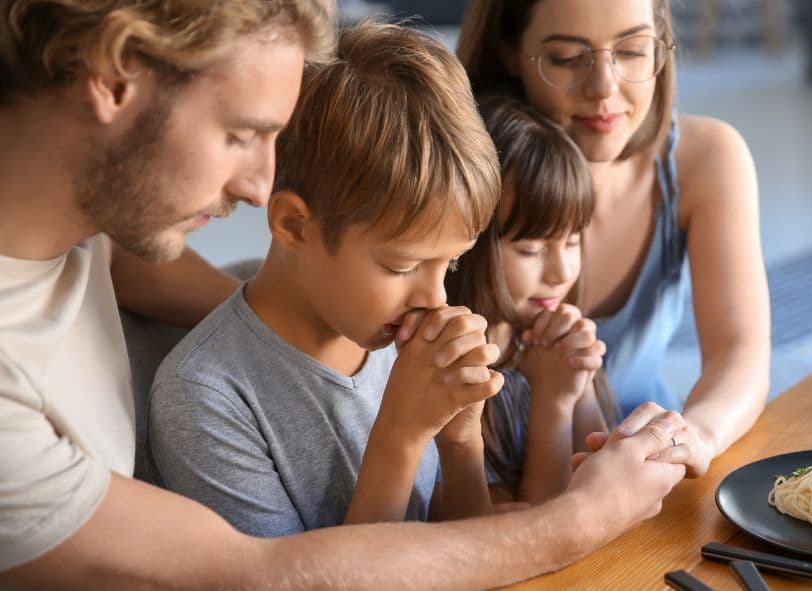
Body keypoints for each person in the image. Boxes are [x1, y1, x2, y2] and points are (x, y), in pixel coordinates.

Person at [0, 2, 690, 588]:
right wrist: (579, 518)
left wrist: (456, 432)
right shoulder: (170, 394)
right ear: (116, 77)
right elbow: (266, 573)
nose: (256, 186)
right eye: (240, 134)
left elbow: (148, 266)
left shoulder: (87, 223)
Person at [147, 22, 505, 534]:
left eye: (449, 264)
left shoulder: (395, 339)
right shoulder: (207, 399)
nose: (435, 298)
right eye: (400, 267)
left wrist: (460, 440)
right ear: (294, 225)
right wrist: (400, 438)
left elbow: (469, 554)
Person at [457, 0, 771, 477]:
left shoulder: (705, 158)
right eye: (565, 57)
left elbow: (739, 354)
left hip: (649, 469)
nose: (604, 87)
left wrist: (694, 436)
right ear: (508, 50)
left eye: (632, 51)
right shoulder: (456, 177)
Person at [446, 95, 623, 504]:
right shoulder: (457, 372)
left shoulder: (547, 336)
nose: (562, 272)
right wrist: (554, 402)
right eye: (532, 250)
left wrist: (578, 385)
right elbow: (544, 522)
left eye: (573, 241)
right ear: (467, 245)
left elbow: (601, 484)